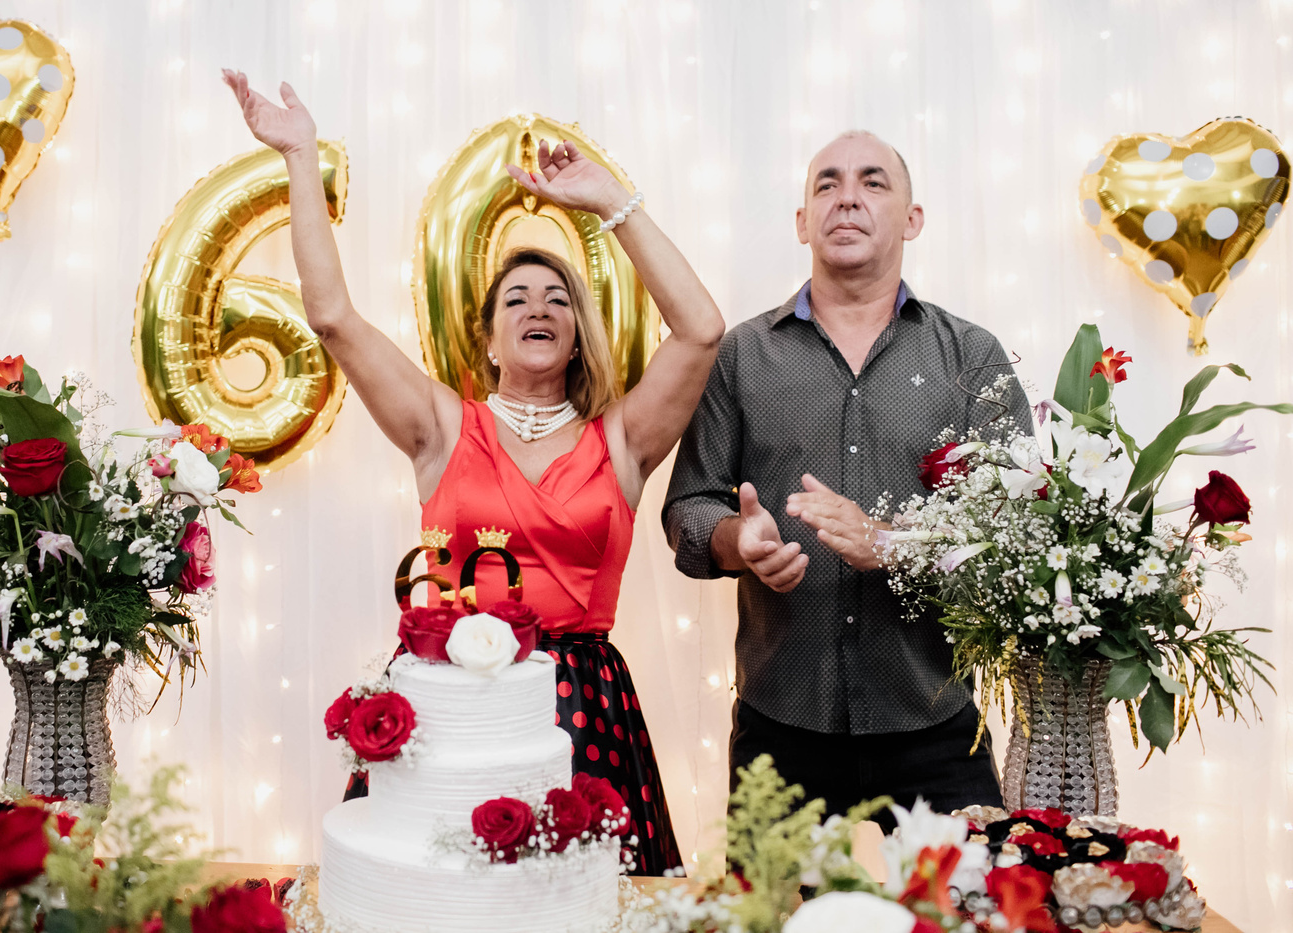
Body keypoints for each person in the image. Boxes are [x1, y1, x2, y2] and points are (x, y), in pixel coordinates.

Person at [223, 70, 723, 874]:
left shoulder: (622, 440)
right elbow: (332, 317)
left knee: (581, 910)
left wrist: (610, 201)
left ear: (578, 332)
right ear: (488, 338)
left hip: (583, 709)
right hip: (448, 703)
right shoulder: (441, 426)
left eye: (558, 298)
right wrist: (300, 156)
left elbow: (700, 329)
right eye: (516, 298)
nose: (539, 307)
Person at [661, 131, 1030, 826]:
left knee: (972, 894)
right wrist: (737, 540)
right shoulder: (742, 354)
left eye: (873, 182)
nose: (848, 198)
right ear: (803, 222)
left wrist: (894, 544)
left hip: (936, 724)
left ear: (912, 219)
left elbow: (1015, 540)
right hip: (780, 728)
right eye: (827, 183)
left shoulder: (972, 358)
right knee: (768, 899)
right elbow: (688, 507)